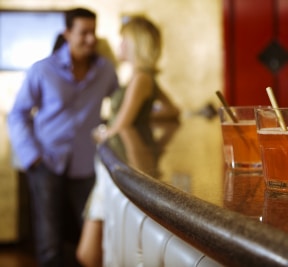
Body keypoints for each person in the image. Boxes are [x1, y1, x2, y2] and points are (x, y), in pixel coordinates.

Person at [7, 7, 119, 267]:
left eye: (93, 32)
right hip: (46, 162)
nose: (91, 39)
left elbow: (121, 103)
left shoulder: (105, 71)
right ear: (67, 33)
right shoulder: (42, 70)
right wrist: (32, 157)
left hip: (86, 165)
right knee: (49, 242)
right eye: (83, 33)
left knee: (91, 239)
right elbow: (18, 115)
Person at [75, 15, 180, 267]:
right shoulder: (143, 77)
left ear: (135, 43)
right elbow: (172, 110)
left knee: (88, 254)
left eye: (123, 40)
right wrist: (144, 119)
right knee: (93, 251)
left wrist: (103, 132)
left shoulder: (141, 78)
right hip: (115, 164)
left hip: (117, 167)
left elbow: (120, 124)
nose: (119, 45)